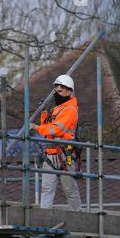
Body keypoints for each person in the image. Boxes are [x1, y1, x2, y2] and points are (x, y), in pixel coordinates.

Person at [29, 74, 82, 211]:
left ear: (69, 91)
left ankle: (79, 216)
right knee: (46, 188)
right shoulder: (56, 110)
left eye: (61, 89)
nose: (58, 91)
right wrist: (44, 112)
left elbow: (56, 130)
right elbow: (47, 129)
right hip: (51, 153)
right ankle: (44, 217)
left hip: (66, 154)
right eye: (56, 89)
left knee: (69, 188)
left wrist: (37, 127)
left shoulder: (71, 110)